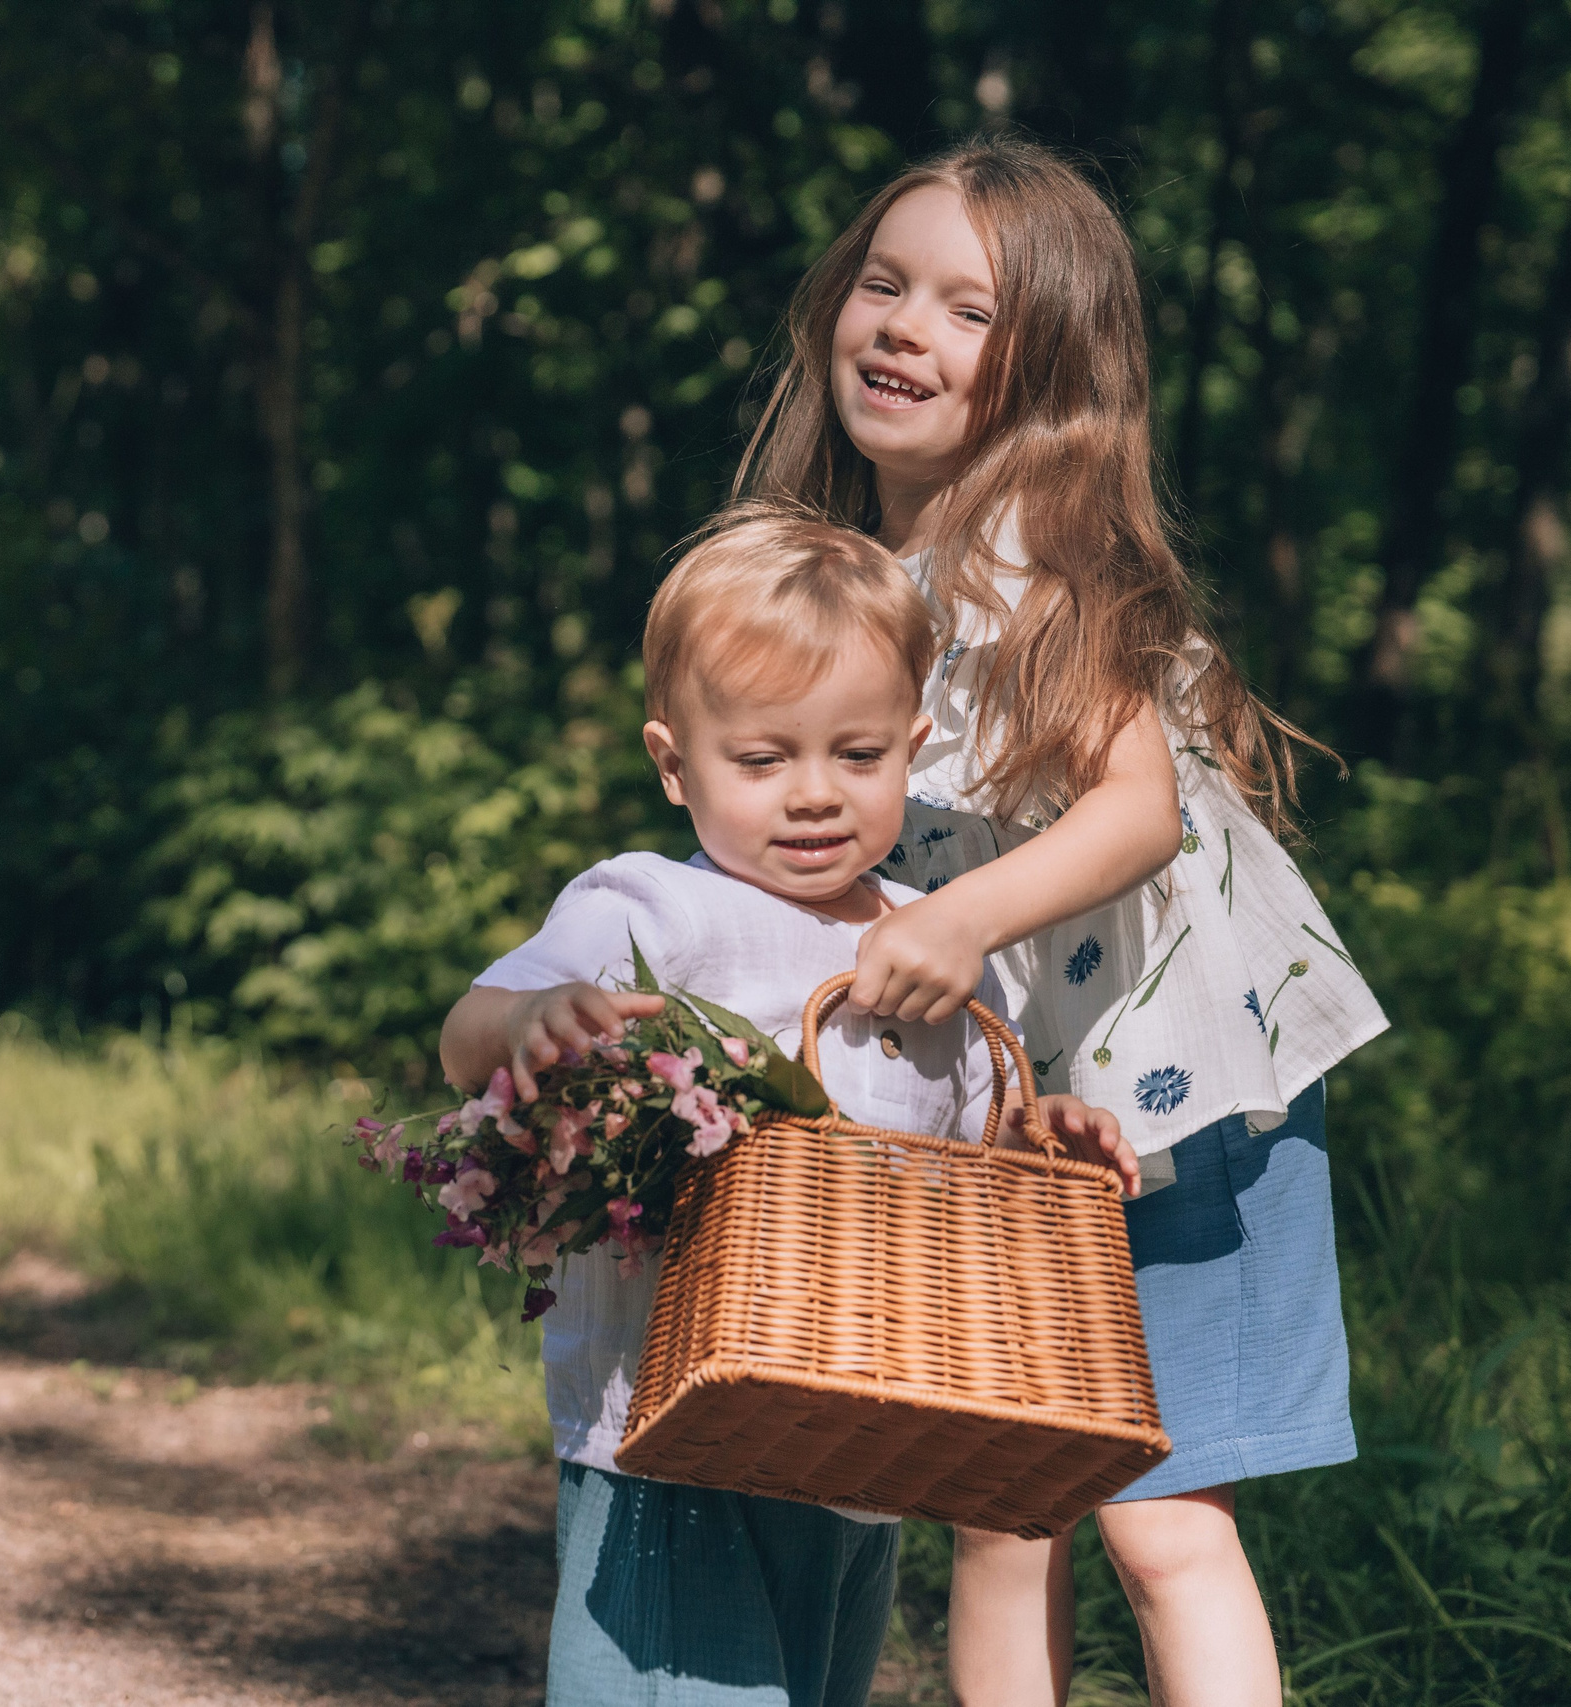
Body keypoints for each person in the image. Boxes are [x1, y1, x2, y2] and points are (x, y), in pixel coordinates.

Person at [731, 136, 1391, 1707]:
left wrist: (957, 921)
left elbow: (1138, 806)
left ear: (1049, 372)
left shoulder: (1025, 561)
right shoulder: (866, 574)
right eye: (885, 285)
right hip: (1039, 1101)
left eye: (969, 310)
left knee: (1163, 1520)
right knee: (997, 1498)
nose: (905, 328)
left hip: (1187, 1082)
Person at [439, 510, 1139, 1707]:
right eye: (761, 761)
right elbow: (465, 1033)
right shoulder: (655, 910)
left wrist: (1041, 1136)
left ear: (912, 748)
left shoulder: (926, 935)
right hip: (671, 1429)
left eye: (856, 756)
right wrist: (533, 1024)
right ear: (673, 763)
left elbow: (966, 1148)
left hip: (859, 1433)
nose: (812, 796)